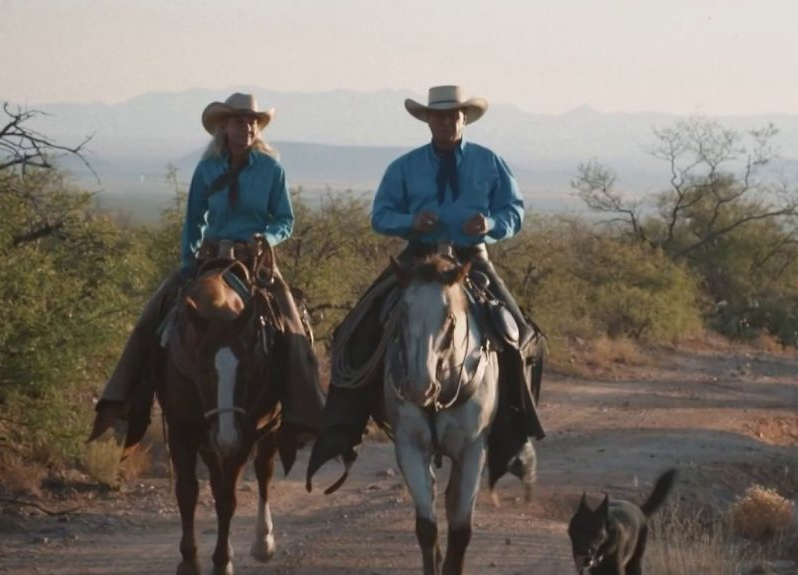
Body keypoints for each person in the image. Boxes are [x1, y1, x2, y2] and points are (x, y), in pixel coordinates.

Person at [307, 85, 544, 487]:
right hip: (417, 259)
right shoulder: (405, 167)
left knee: (520, 334)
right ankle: (344, 427)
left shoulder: (490, 163)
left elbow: (514, 210)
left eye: (453, 115)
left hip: (472, 260)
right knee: (355, 327)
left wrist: (490, 225)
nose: (446, 122)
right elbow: (380, 215)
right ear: (427, 120)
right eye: (438, 116)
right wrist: (410, 223)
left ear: (464, 118)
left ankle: (515, 434)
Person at [89, 93, 323, 447]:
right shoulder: (207, 169)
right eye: (238, 122)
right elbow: (194, 220)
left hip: (254, 259)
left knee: (291, 320)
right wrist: (187, 263)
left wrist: (268, 237)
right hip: (211, 257)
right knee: (154, 313)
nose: (245, 128)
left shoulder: (272, 170)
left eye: (251, 122)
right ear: (223, 128)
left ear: (257, 128)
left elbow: (285, 220)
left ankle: (306, 412)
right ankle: (123, 401)